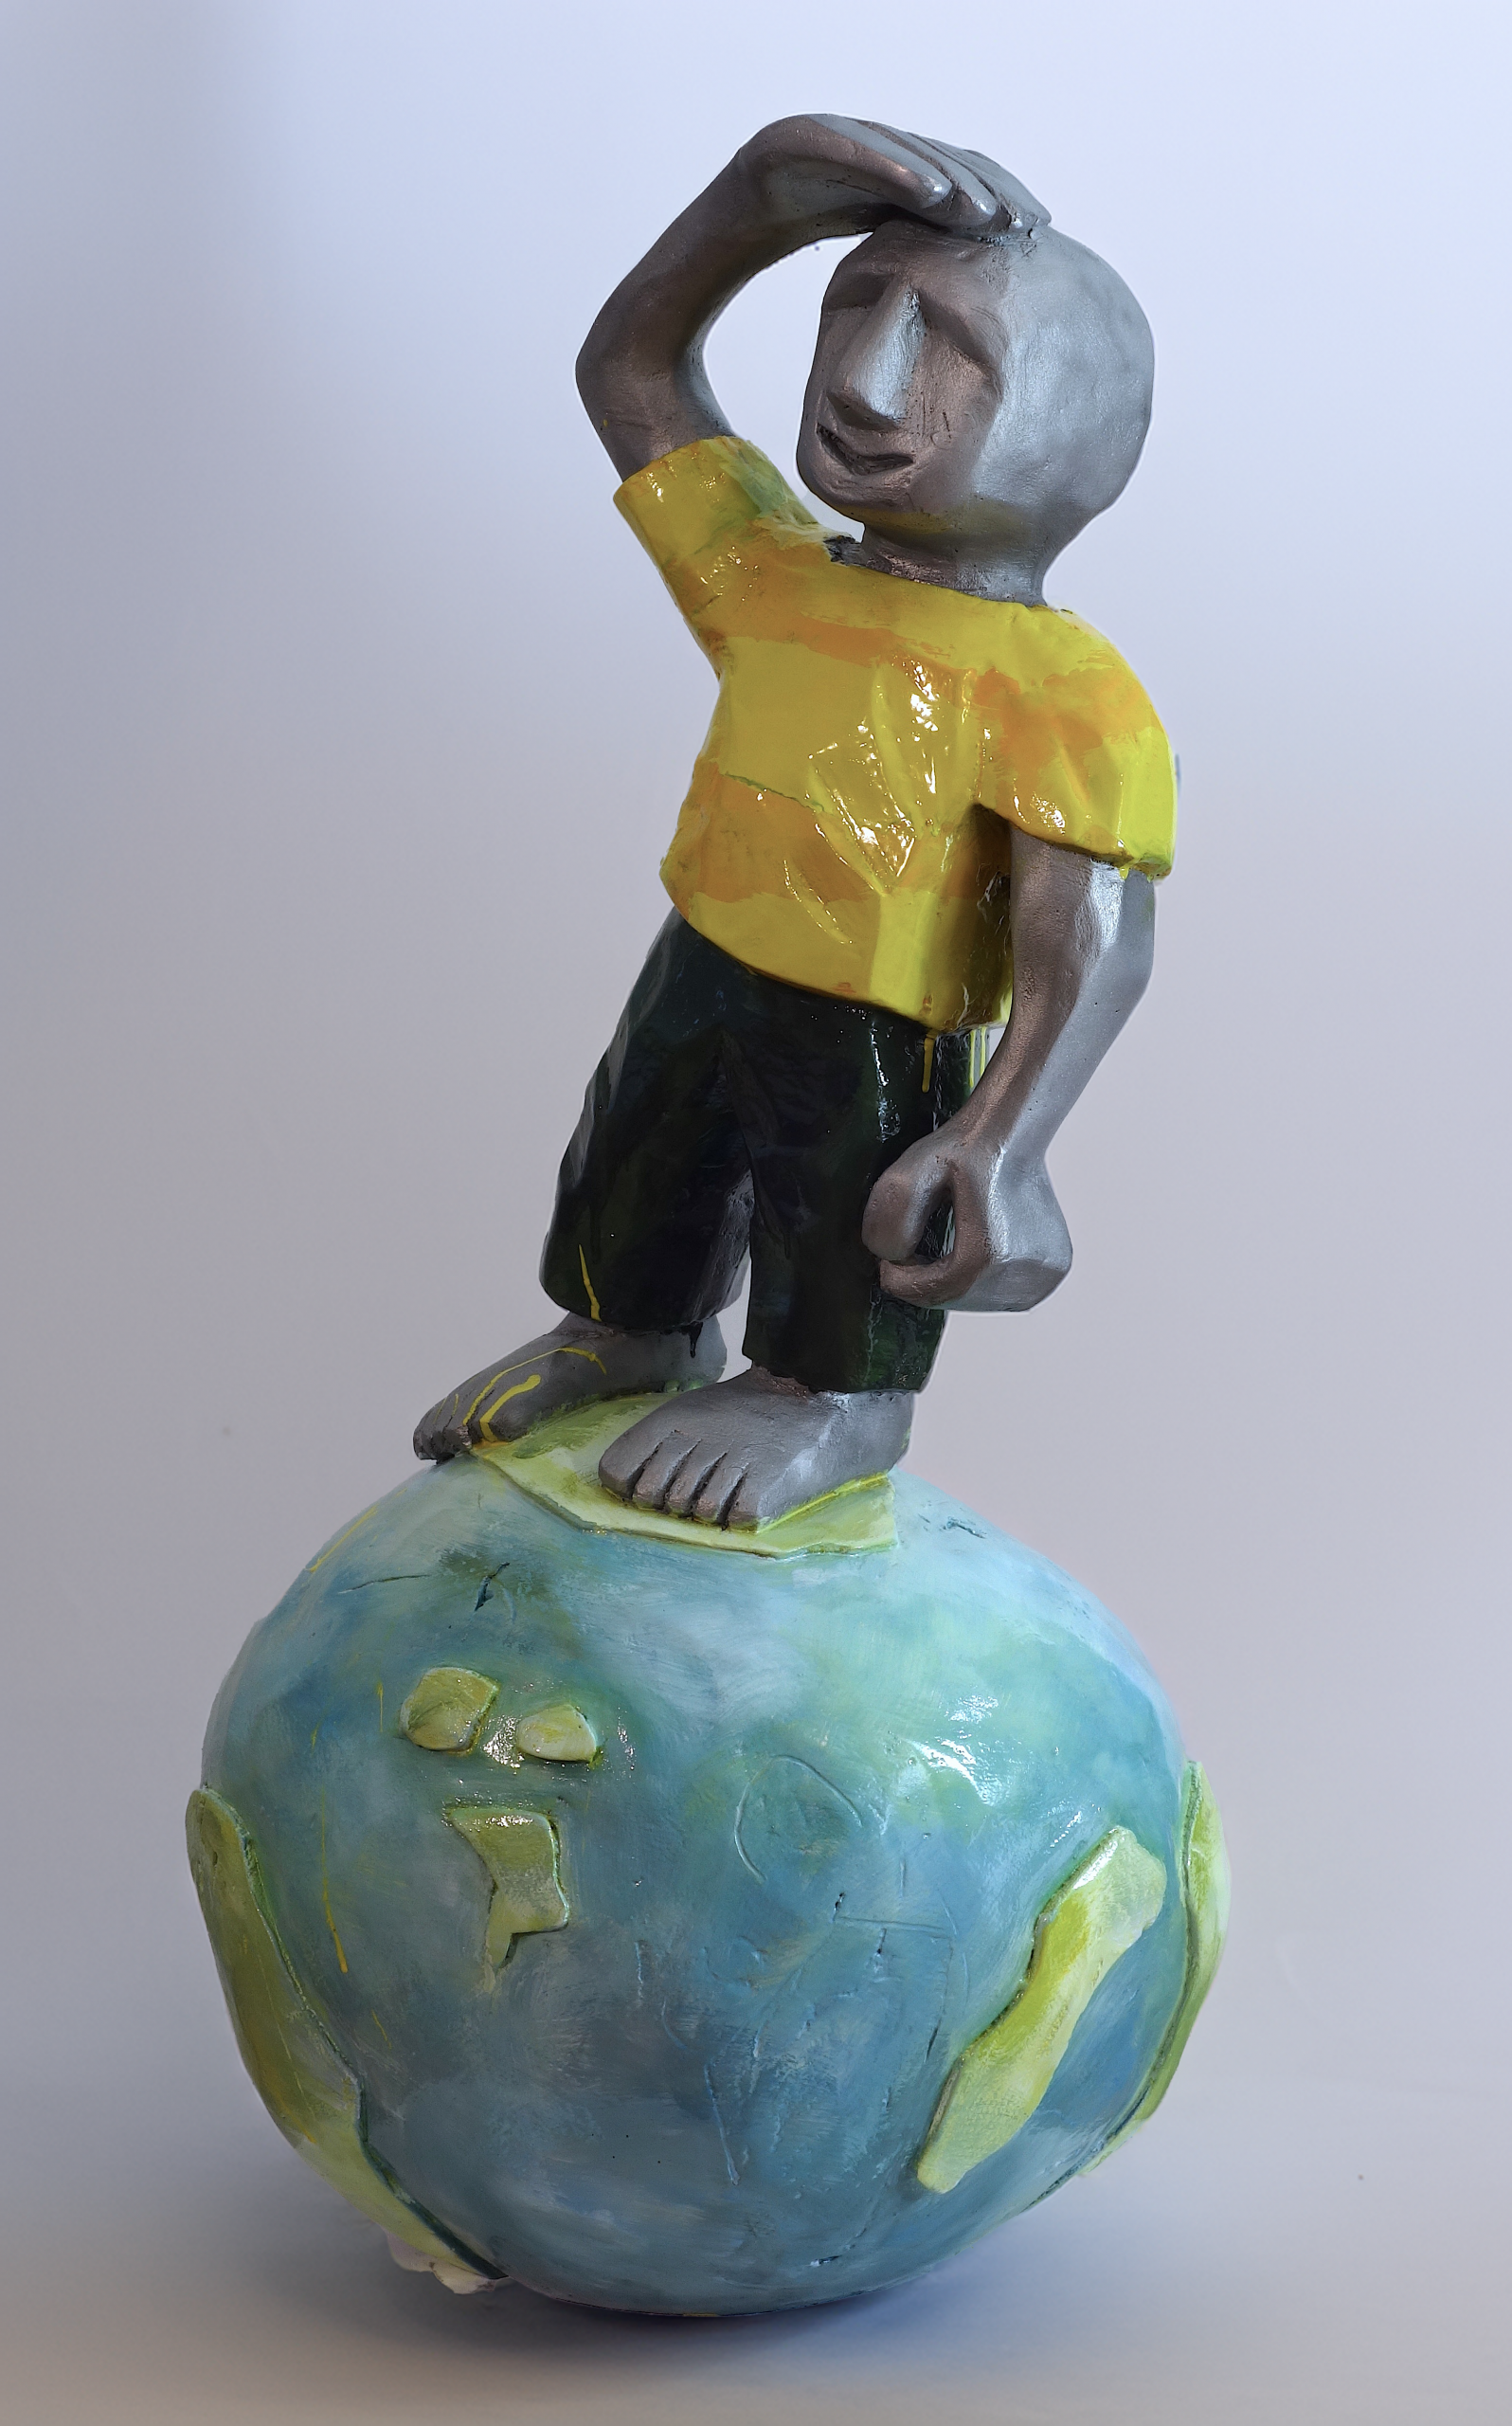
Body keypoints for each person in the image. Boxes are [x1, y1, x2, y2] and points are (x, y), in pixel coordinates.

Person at [414, 115, 1175, 1527]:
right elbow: (631, 372)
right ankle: (629, 1328)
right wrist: (744, 208)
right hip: (702, 952)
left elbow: (1092, 935)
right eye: (852, 309)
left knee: (842, 1212)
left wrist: (1006, 1138)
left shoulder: (1061, 687)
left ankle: (833, 1397)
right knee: (635, 1150)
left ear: (1079, 421)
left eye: (952, 351)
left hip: (870, 1017)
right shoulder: (776, 577)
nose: (869, 382)